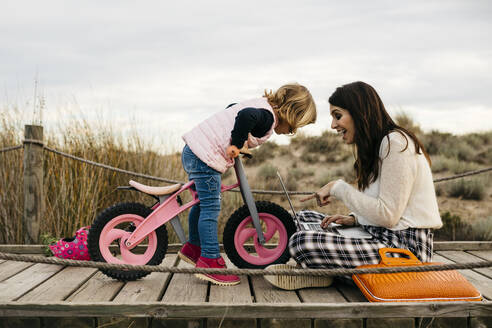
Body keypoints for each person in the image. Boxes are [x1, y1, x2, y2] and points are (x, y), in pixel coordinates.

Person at [265, 81, 442, 290]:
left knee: (301, 242)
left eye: (338, 116)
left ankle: (322, 272)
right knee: (301, 218)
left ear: (360, 113)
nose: (333, 125)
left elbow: (388, 215)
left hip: (406, 250)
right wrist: (355, 219)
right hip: (379, 234)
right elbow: (389, 208)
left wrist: (338, 188)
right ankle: (325, 271)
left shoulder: (395, 144)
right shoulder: (379, 145)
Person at [178, 83, 317, 286]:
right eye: (295, 125)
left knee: (202, 203)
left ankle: (194, 248)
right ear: (290, 112)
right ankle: (209, 260)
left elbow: (233, 107)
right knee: (210, 207)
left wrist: (238, 141)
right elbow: (245, 116)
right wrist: (235, 143)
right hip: (203, 157)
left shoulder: (262, 106)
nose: (292, 131)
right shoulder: (268, 118)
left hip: (194, 150)